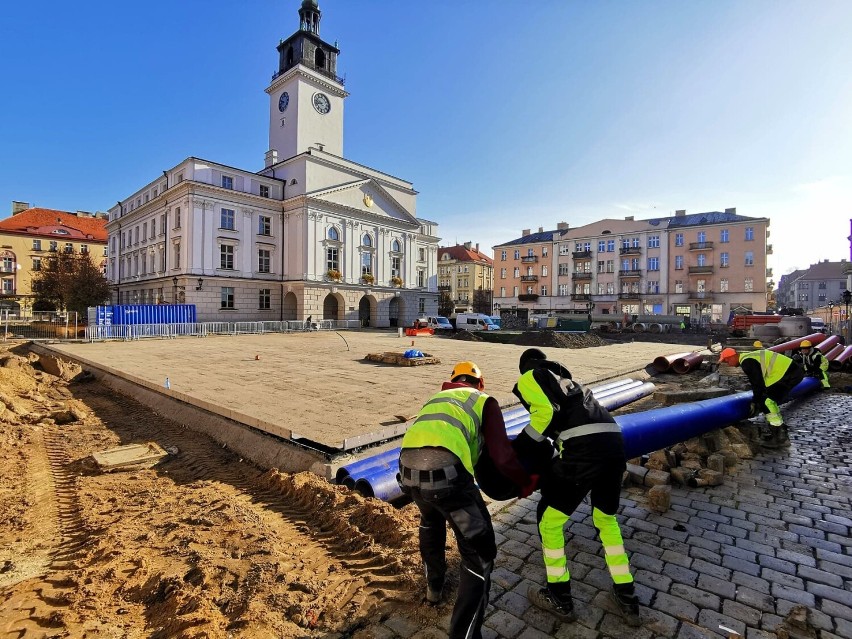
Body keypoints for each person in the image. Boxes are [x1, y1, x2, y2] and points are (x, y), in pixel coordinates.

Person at [397, 361, 536, 639]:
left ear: (450, 382)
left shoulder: (436, 399)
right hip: (448, 478)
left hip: (407, 473)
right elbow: (503, 456)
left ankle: (433, 588)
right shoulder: (484, 401)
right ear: (480, 384)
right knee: (479, 552)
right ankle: (465, 635)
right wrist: (525, 482)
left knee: (430, 519)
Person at [510, 348, 640, 627]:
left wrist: (517, 448)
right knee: (606, 520)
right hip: (615, 448)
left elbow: (543, 414)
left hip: (583, 453)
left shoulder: (532, 375)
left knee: (549, 521)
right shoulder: (573, 386)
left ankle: (559, 596)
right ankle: (627, 595)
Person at [718, 346, 805, 448]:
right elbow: (759, 383)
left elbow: (757, 384)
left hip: (788, 374)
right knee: (769, 400)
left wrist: (755, 401)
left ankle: (780, 437)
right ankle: (779, 433)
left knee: (766, 401)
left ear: (732, 357)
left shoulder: (747, 362)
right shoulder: (748, 358)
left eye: (727, 361)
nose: (729, 364)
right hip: (790, 372)